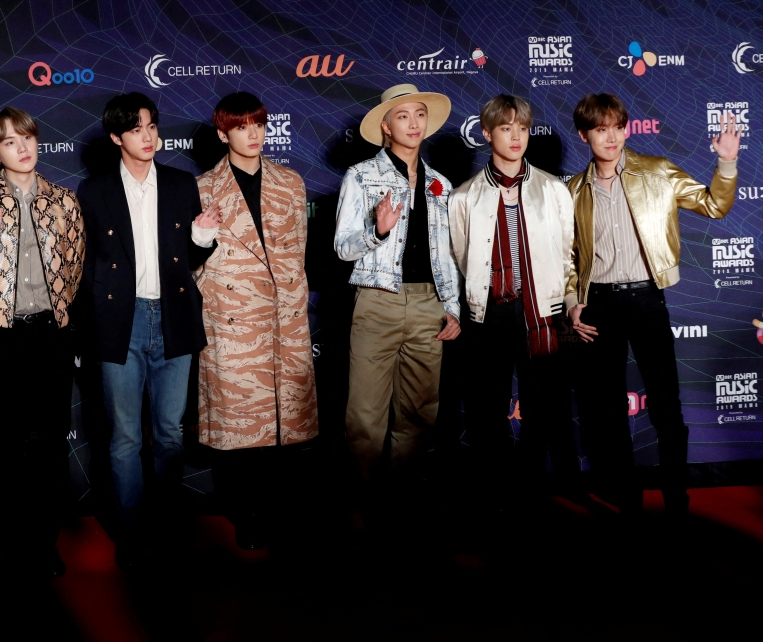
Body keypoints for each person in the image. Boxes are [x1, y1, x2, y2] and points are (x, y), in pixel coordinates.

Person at [566, 93, 742, 516]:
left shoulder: (658, 172)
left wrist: (727, 163)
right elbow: (568, 256)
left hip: (646, 298)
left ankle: (676, 499)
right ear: (584, 135)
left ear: (626, 128)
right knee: (607, 412)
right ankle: (628, 500)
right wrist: (573, 303)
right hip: (599, 307)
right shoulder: (572, 190)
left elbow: (714, 205)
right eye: (601, 129)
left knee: (666, 406)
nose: (612, 137)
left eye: (617, 127)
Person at [76, 92, 219, 569]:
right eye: (136, 129)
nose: (148, 136)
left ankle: (168, 525)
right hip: (121, 322)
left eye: (152, 126)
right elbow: (86, 265)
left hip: (174, 316)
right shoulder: (94, 191)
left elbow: (192, 257)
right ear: (117, 137)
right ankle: (133, 533)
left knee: (170, 433)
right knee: (124, 437)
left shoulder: (182, 184)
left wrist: (202, 238)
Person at [0, 106, 85, 576]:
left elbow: (76, 274)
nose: (22, 148)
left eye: (27, 137)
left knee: (49, 445)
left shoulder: (65, 201)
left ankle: (45, 543)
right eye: (9, 141)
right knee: (7, 444)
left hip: (51, 337)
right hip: (0, 339)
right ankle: (12, 543)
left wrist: (66, 329)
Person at [334, 84, 461, 532]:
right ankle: (361, 504)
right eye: (403, 116)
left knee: (419, 414)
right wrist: (378, 231)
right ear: (386, 126)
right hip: (377, 301)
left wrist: (454, 307)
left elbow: (447, 253)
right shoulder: (361, 177)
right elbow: (342, 248)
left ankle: (400, 500)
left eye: (419, 114)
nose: (413, 123)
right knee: (365, 415)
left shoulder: (440, 183)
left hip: (429, 303)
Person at [195, 92, 318, 550]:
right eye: (242, 126)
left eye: (259, 125)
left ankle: (282, 513)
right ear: (223, 132)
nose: (253, 134)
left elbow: (297, 253)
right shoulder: (203, 188)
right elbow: (193, 262)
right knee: (241, 426)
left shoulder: (292, 182)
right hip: (231, 321)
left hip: (284, 317)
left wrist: (291, 298)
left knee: (285, 425)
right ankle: (246, 515)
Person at [448, 95, 576, 509]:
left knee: (542, 412)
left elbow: (568, 253)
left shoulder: (553, 189)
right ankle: (497, 500)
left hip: (540, 313)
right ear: (487, 134)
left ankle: (532, 496)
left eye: (522, 127)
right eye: (505, 128)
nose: (516, 135)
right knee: (487, 413)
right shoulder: (464, 197)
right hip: (490, 314)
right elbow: (458, 258)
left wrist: (569, 301)